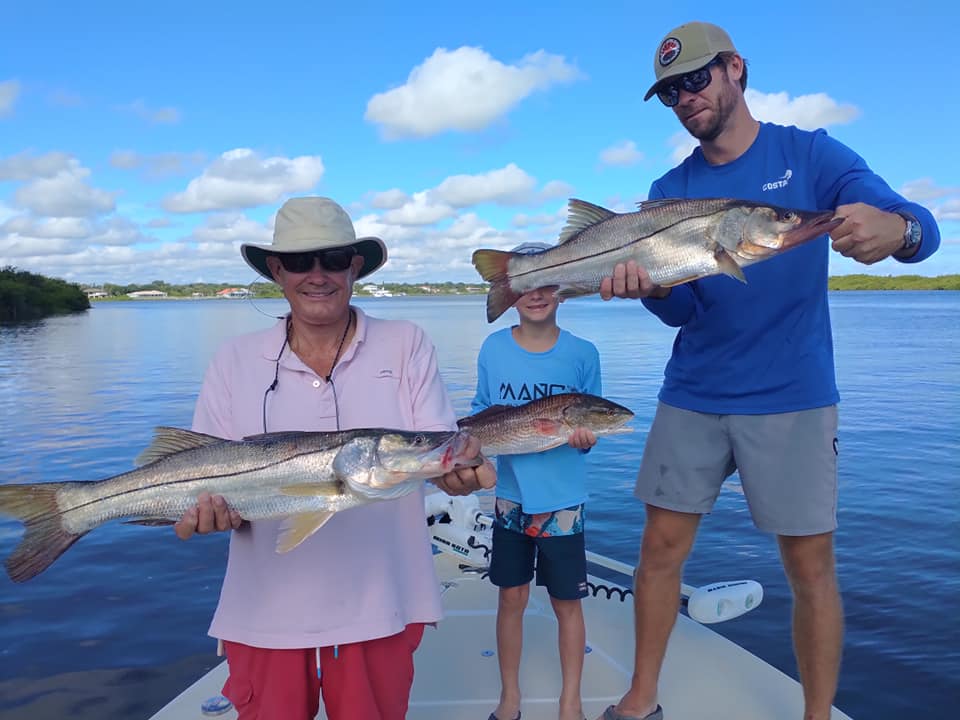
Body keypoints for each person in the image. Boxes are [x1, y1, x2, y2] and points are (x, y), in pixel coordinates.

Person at [597, 21, 941, 720]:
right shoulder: (670, 189)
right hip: (694, 392)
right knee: (658, 549)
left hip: (793, 395)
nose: (685, 99)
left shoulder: (809, 154)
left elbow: (918, 225)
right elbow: (684, 311)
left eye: (695, 80)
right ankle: (641, 696)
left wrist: (898, 232)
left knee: (810, 567)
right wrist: (652, 290)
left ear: (735, 68)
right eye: (670, 93)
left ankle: (816, 715)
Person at [172, 196, 496, 720]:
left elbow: (436, 451)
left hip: (383, 604)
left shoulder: (406, 343)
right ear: (277, 271)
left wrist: (458, 474)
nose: (317, 274)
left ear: (355, 267)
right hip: (263, 611)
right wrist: (204, 514)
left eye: (334, 259)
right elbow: (200, 477)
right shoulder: (234, 359)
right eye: (300, 261)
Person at [471, 241, 603, 720]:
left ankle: (571, 702)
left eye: (547, 283)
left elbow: (595, 417)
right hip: (510, 498)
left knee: (568, 603)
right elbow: (480, 410)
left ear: (562, 290)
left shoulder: (583, 353)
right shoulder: (493, 348)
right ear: (511, 293)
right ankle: (510, 697)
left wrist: (586, 439)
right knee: (511, 598)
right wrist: (469, 451)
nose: (536, 293)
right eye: (526, 284)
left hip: (564, 502)